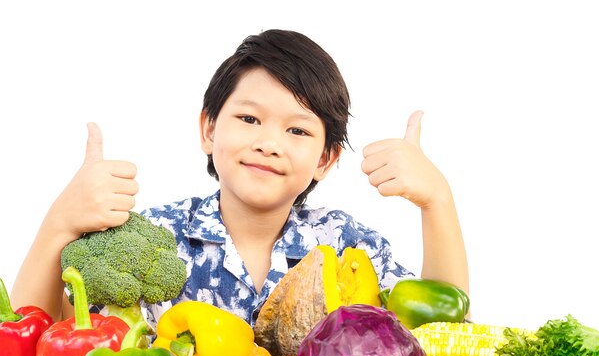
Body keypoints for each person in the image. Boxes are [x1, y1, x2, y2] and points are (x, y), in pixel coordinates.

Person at [11, 29, 468, 328]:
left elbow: (441, 332)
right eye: (249, 119)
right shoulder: (151, 240)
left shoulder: (349, 245)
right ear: (209, 129)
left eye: (297, 130)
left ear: (325, 159)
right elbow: (40, 337)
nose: (269, 142)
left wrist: (437, 203)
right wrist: (60, 223)